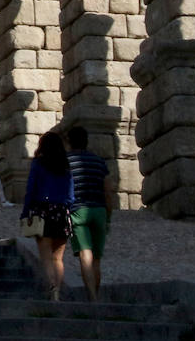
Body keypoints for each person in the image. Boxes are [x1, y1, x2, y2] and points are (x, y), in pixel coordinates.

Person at [21, 129, 75, 300]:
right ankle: (57, 289)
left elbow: (31, 190)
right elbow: (71, 194)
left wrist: (25, 212)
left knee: (45, 256)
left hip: (43, 211)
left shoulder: (38, 164)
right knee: (58, 258)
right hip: (61, 212)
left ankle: (52, 289)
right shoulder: (66, 166)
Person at [67, 125, 115, 301]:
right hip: (100, 211)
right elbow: (108, 191)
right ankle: (96, 293)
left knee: (85, 254)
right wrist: (108, 217)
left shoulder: (67, 161)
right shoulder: (99, 162)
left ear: (69, 142)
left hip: (78, 211)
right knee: (96, 259)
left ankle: (93, 297)